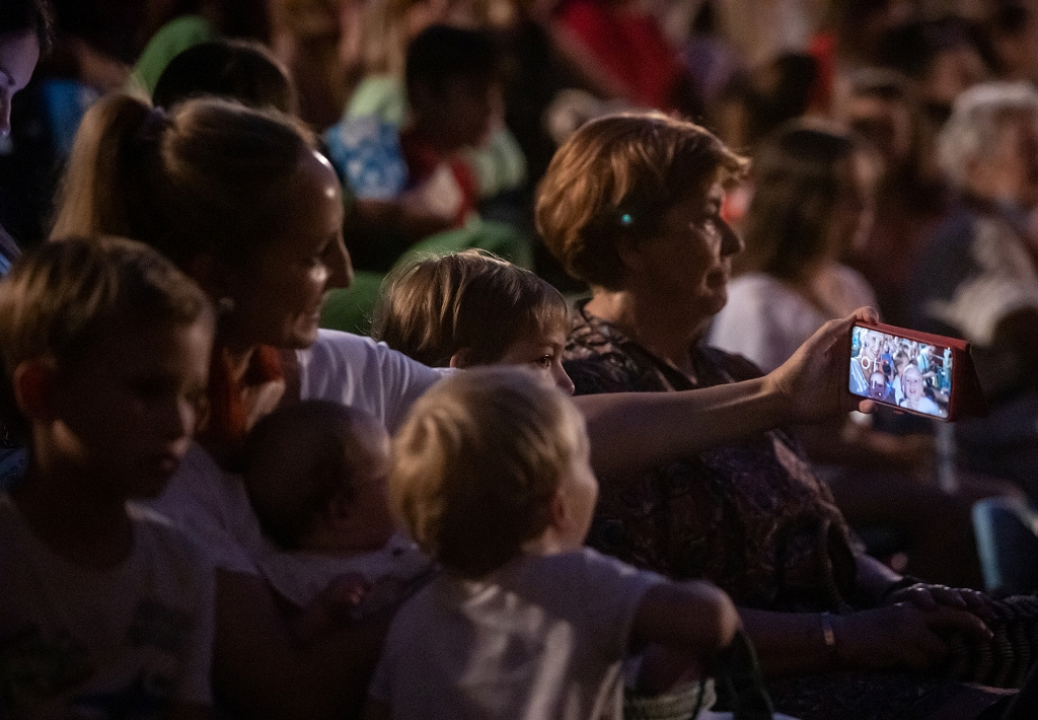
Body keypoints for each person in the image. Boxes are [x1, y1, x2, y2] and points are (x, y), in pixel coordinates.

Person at [49, 91, 899, 719]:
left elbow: (544, 425)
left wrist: (777, 395)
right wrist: (482, 581)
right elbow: (285, 688)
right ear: (216, 272)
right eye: (316, 254)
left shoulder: (327, 365)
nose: (346, 276)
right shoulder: (153, 457)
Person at [537, 111, 1006, 720]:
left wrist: (899, 594)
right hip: (761, 690)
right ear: (630, 242)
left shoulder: (726, 369)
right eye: (708, 218)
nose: (733, 243)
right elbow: (644, 617)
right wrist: (850, 636)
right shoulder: (579, 380)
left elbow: (823, 530)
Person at [367, 367, 739, 720]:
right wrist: (707, 596)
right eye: (585, 463)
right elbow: (710, 622)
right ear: (558, 507)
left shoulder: (411, 619)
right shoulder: (580, 580)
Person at [0, 237, 215, 718]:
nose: (180, 424)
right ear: (42, 391)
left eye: (192, 397)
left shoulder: (184, 569)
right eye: (148, 390)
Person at [909, 81, 1038, 500]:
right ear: (974, 165)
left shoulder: (1002, 222)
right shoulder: (969, 235)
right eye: (1027, 149)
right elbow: (1020, 328)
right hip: (989, 438)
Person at [242, 400, 432, 625]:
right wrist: (321, 614)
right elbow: (284, 644)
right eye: (387, 476)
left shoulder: (401, 535)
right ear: (342, 512)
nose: (400, 479)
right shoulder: (297, 577)